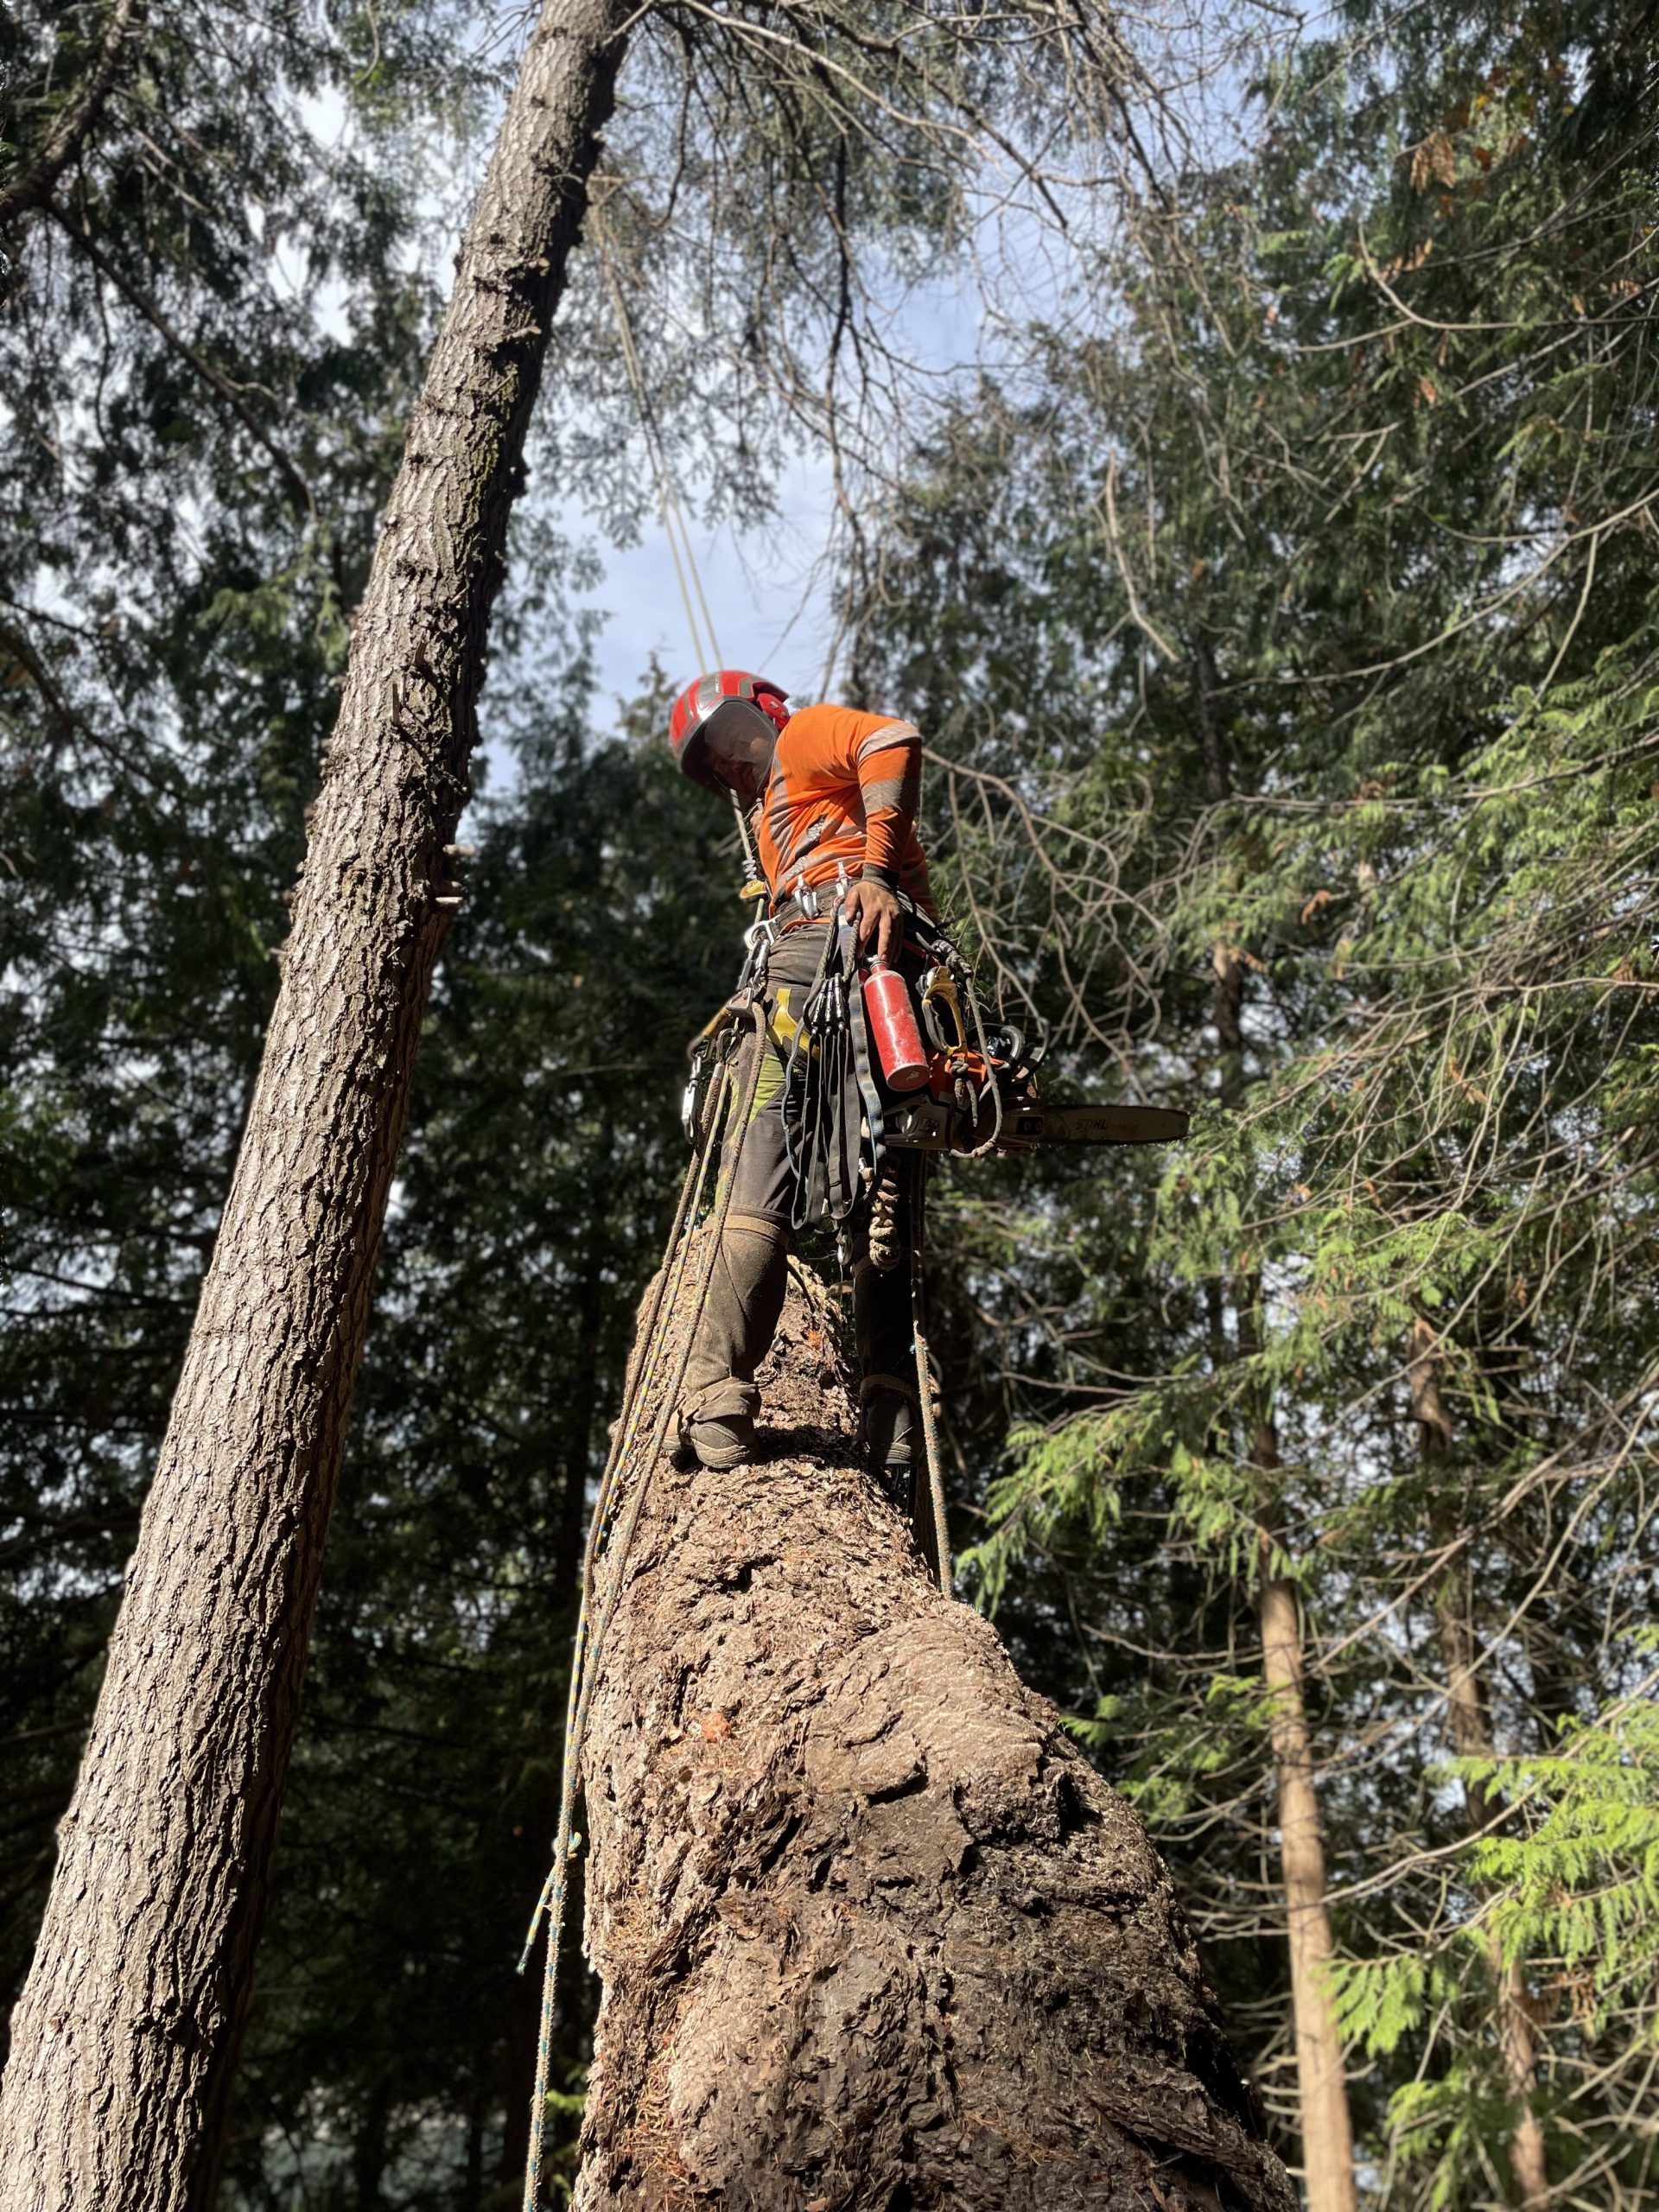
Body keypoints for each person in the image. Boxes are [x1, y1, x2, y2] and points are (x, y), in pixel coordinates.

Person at [667, 667, 931, 1485]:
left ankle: (715, 1392)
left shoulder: (806, 735)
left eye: (739, 742)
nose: (740, 766)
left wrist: (877, 876)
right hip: (879, 973)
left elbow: (892, 740)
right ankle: (889, 1415)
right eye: (721, 763)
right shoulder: (782, 820)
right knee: (878, 1192)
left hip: (823, 957)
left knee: (761, 1162)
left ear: (767, 715)